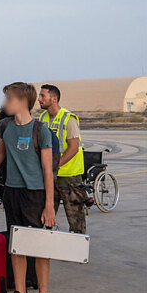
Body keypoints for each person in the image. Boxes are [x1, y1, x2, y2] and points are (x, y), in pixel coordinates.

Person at [0, 83, 60, 293]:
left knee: (40, 246)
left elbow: (47, 170)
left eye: (9, 99)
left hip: (35, 194)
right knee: (17, 244)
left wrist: (49, 204)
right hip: (11, 192)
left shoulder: (41, 130)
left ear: (23, 101)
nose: (5, 103)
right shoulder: (6, 126)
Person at [38, 84, 87, 234]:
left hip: (69, 178)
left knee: (75, 219)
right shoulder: (42, 118)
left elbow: (73, 147)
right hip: (50, 176)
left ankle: (78, 253)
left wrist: (54, 165)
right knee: (45, 217)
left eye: (42, 96)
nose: (39, 99)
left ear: (54, 99)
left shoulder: (69, 119)